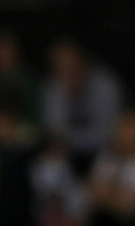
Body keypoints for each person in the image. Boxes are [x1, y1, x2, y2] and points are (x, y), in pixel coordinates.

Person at [41, 39, 123, 171]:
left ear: (82, 63)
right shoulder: (54, 87)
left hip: (106, 149)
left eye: (70, 64)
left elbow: (107, 132)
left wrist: (69, 140)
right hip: (69, 153)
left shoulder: (105, 86)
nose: (66, 70)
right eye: (60, 66)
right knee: (47, 169)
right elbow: (54, 128)